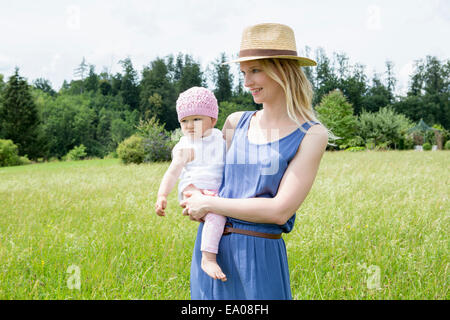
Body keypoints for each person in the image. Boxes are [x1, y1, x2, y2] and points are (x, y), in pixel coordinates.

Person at [180, 23, 330, 299]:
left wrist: (210, 203)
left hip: (259, 257)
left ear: (282, 70)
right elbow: (208, 174)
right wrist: (193, 196)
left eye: (256, 70)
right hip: (210, 252)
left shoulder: (312, 134)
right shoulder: (234, 123)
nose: (247, 82)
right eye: (244, 73)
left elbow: (279, 210)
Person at [155, 86, 227, 281]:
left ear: (212, 120)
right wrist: (162, 195)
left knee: (222, 212)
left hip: (214, 188)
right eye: (184, 121)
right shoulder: (185, 146)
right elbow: (173, 172)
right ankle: (208, 258)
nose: (189, 125)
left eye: (196, 119)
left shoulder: (220, 138)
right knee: (217, 215)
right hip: (193, 189)